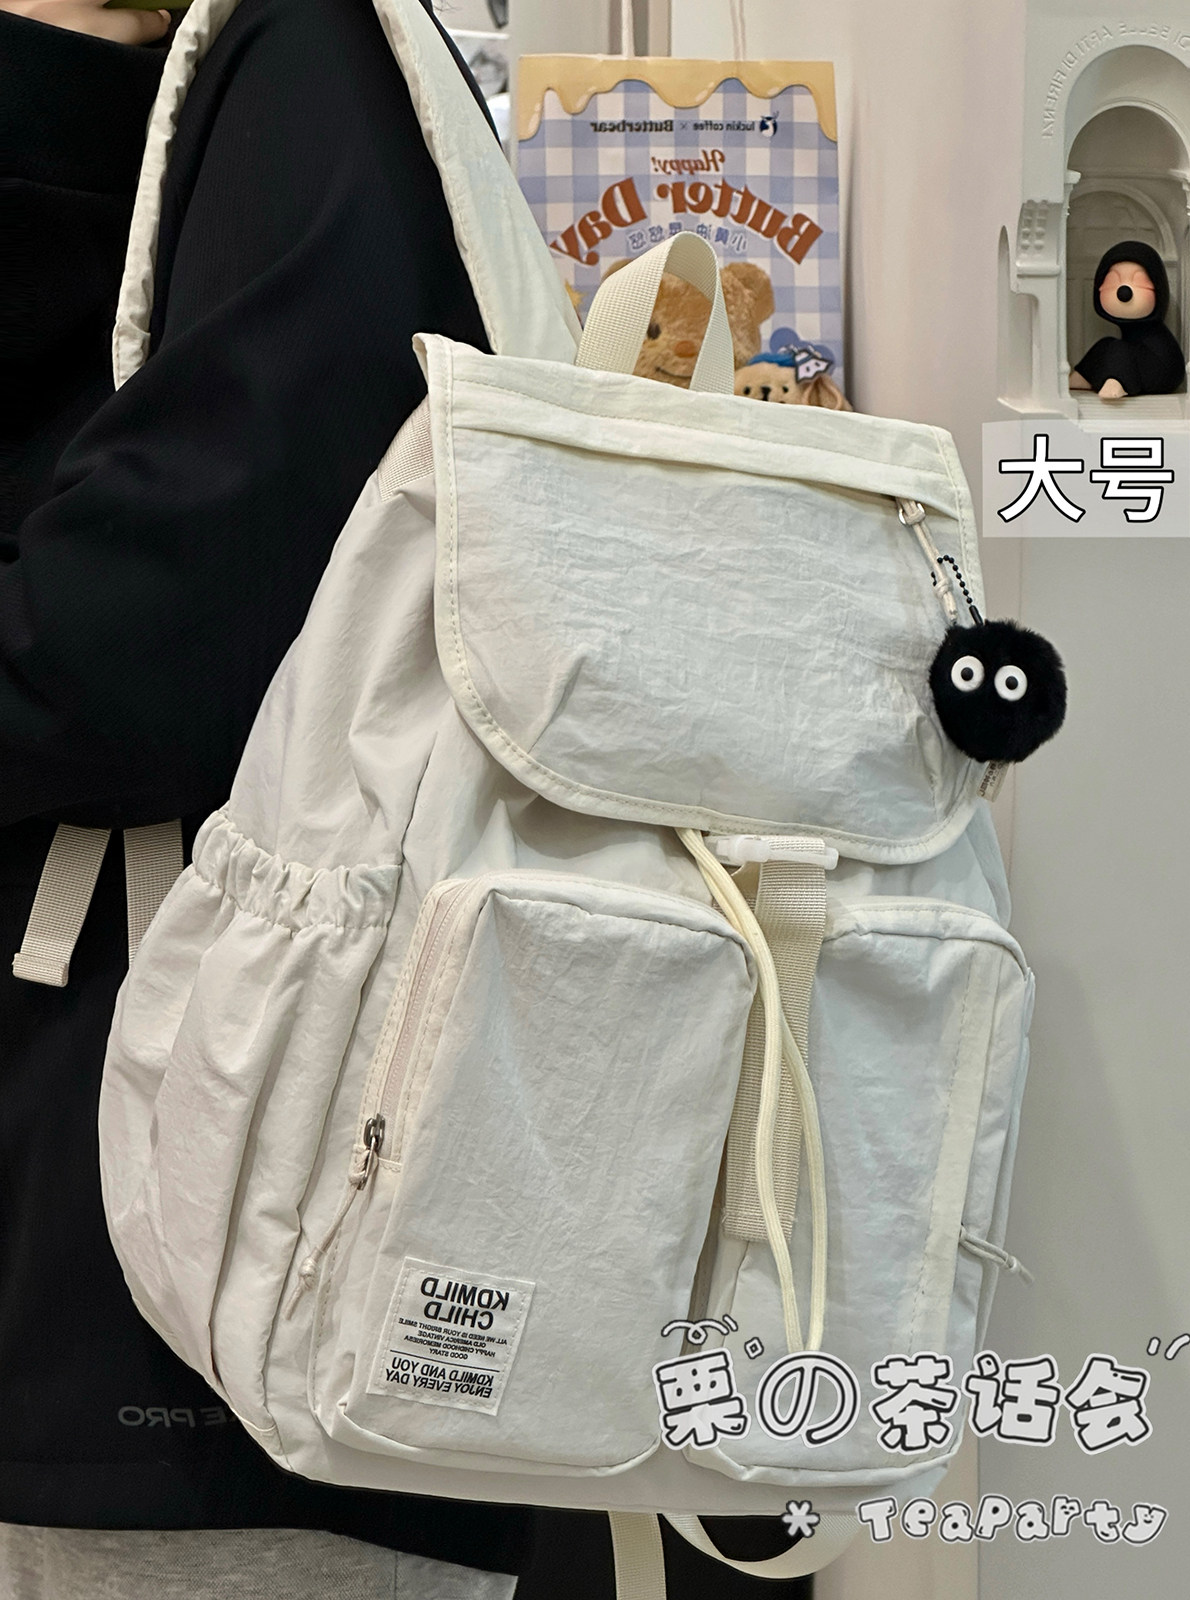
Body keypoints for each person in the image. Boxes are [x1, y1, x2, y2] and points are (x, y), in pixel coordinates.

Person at [0, 1, 532, 1593]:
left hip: (226, 1233)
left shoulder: (311, 58)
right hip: (219, 1216)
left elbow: (148, 635)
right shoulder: (294, 73)